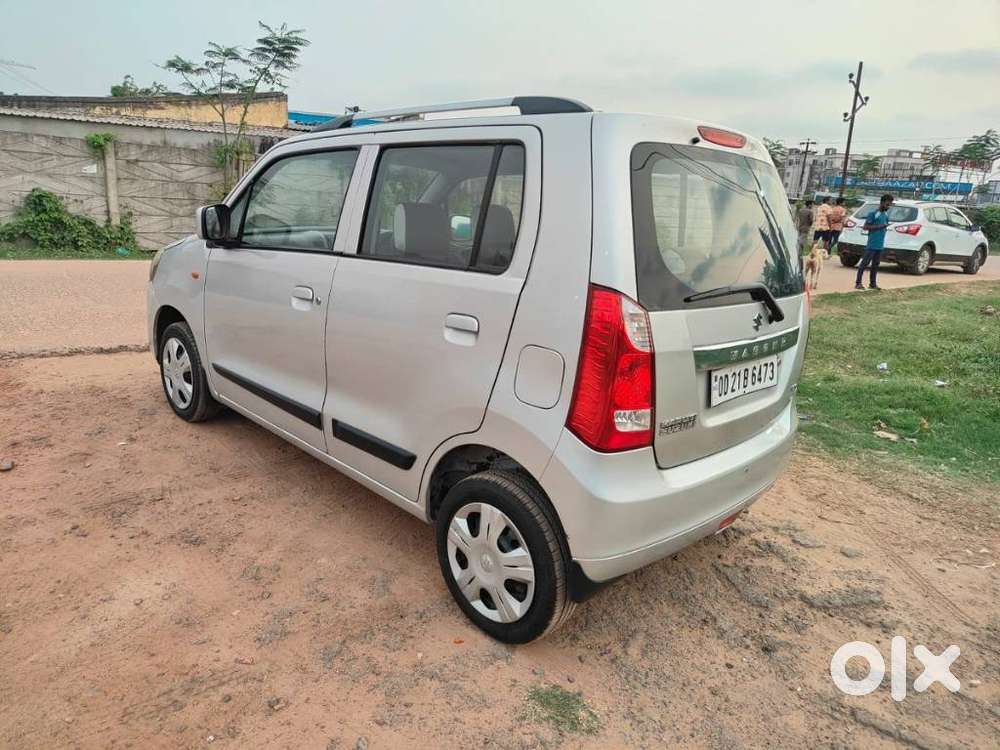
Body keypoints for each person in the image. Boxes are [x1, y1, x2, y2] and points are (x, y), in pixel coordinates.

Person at [855, 194, 893, 290]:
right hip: (872, 244)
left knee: (876, 265)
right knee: (864, 264)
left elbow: (884, 225)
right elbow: (866, 227)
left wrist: (885, 227)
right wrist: (880, 227)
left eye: (890, 205)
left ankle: (873, 283)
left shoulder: (886, 215)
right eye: (887, 204)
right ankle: (858, 283)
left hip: (880, 245)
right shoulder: (873, 214)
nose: (888, 207)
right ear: (882, 203)